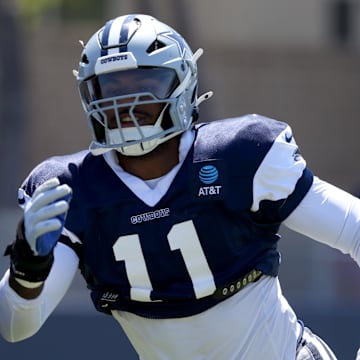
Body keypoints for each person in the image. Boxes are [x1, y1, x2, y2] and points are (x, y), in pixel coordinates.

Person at [0, 13, 358, 360]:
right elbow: (15, 327)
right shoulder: (71, 189)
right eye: (111, 89)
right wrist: (26, 268)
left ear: (181, 86)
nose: (127, 105)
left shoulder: (239, 156)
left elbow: (354, 229)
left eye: (145, 86)